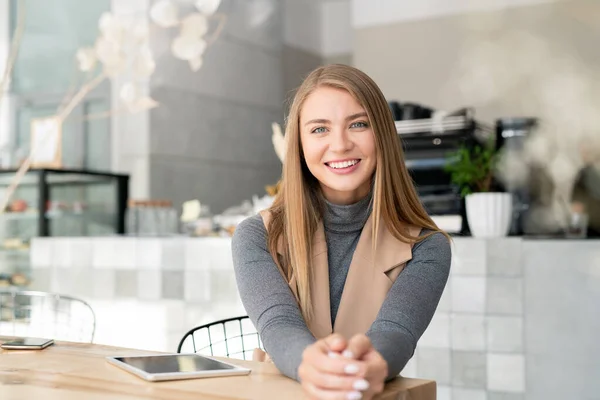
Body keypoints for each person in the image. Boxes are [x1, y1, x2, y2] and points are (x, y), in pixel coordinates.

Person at [232, 64, 451, 400]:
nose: (340, 144)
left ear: (382, 135)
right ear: (300, 145)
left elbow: (396, 332)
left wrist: (370, 363)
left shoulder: (426, 247)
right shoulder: (255, 236)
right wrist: (311, 365)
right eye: (320, 129)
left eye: (358, 124)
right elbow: (278, 324)